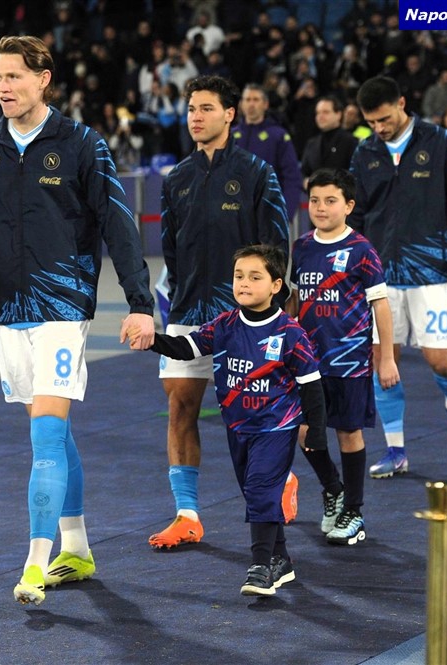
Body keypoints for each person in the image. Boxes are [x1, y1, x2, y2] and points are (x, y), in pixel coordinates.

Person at [0, 35, 155, 606]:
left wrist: (140, 302)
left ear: (43, 79)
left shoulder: (82, 144)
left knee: (45, 437)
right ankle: (77, 548)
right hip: (8, 307)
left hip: (62, 305)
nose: (3, 87)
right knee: (51, 430)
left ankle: (35, 561)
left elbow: (119, 225)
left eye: (14, 76)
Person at [127, 245, 328, 596]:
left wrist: (316, 431)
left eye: (255, 277)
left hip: (275, 429)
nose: (244, 283)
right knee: (255, 494)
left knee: (262, 490)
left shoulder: (290, 333)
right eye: (239, 276)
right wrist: (151, 341)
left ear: (276, 285)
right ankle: (280, 560)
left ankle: (260, 567)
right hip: (238, 429)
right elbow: (187, 348)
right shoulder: (224, 325)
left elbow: (312, 386)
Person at [151, 74, 290, 550]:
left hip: (243, 315)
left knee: (254, 414)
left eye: (206, 108)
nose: (196, 117)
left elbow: (276, 245)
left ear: (229, 115)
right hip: (188, 310)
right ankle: (187, 514)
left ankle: (282, 479)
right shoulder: (177, 178)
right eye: (191, 108)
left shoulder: (256, 172)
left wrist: (270, 308)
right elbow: (170, 250)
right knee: (180, 406)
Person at [349, 76, 447, 479]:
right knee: (383, 361)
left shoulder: (439, 142)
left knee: (441, 362)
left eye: (384, 119)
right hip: (380, 275)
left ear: (402, 103)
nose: (379, 129)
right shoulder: (365, 152)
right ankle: (396, 450)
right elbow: (356, 214)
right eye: (372, 122)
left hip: (431, 272)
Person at [289, 168, 400, 545]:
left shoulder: (362, 251)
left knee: (348, 432)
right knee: (304, 430)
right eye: (314, 200)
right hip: (308, 362)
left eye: (330, 200)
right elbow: (295, 299)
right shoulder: (301, 247)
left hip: (350, 361)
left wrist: (387, 358)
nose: (320, 208)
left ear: (349, 205)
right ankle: (333, 488)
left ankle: (354, 510)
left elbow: (381, 306)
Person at [233, 84, 303, 222]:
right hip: (234, 215)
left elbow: (292, 177)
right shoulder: (229, 136)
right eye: (247, 99)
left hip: (268, 214)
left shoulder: (278, 136)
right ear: (241, 104)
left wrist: (285, 213)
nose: (251, 104)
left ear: (265, 104)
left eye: (255, 99)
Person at [300, 95, 359, 188]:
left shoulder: (350, 141)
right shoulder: (312, 143)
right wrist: (305, 181)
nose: (320, 116)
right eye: (318, 113)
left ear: (338, 114)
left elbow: (356, 174)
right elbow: (303, 172)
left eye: (325, 112)